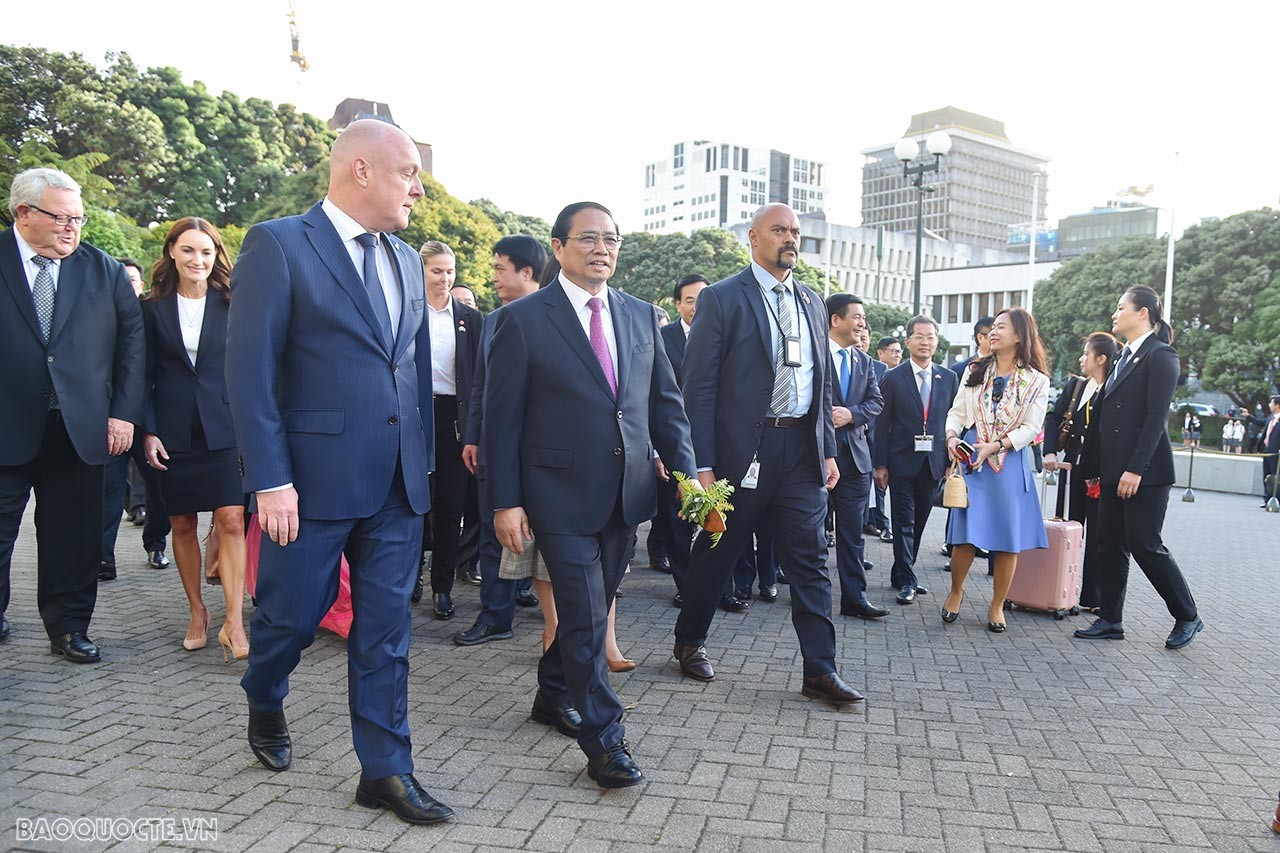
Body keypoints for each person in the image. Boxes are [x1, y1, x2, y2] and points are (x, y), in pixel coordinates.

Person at [225, 120, 452, 824]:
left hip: (396, 487)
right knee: (289, 620)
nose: (418, 187)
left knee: (385, 632)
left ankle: (385, 769)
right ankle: (264, 696)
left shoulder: (406, 257)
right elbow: (250, 372)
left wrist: (423, 465)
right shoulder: (280, 243)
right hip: (308, 485)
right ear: (360, 169)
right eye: (407, 172)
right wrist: (269, 477)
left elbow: (407, 370)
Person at [484, 201, 697, 788]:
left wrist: (688, 478)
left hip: (625, 495)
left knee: (592, 607)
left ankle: (552, 694)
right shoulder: (523, 320)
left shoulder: (639, 315)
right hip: (555, 495)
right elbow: (501, 422)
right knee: (582, 615)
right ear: (558, 248)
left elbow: (664, 406)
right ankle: (605, 741)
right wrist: (505, 500)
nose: (602, 249)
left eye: (612, 239)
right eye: (589, 238)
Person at [675, 203, 863, 708]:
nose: (790, 239)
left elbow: (820, 383)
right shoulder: (722, 298)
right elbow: (699, 389)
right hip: (741, 454)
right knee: (717, 553)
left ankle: (820, 670)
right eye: (780, 230)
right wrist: (704, 465)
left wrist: (826, 448)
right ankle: (689, 640)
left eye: (796, 232)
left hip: (800, 451)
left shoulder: (811, 300)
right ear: (754, 238)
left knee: (810, 562)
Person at [0, 168, 143, 658]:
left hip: (80, 429)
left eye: (78, 219)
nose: (71, 229)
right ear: (23, 213)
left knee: (73, 537)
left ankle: (68, 628)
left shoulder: (101, 270)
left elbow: (132, 346)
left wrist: (123, 413)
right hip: (6, 427)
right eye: (61, 218)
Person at [139, 218, 249, 658]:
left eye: (205, 252)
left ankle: (235, 621)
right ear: (171, 252)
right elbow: (141, 374)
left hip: (226, 426)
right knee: (181, 524)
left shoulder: (234, 301)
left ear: (216, 256)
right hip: (172, 430)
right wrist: (147, 430)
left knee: (232, 520)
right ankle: (197, 610)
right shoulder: (150, 308)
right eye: (188, 251)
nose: (197, 260)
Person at [1074, 285, 1202, 650]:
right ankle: (1110, 618)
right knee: (1108, 543)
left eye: (1121, 308)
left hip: (1145, 472)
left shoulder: (1162, 356)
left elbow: (1154, 419)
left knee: (1145, 544)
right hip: (1114, 470)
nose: (1115, 314)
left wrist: (1135, 469)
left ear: (1143, 312)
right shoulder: (1122, 357)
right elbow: (1104, 418)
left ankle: (1187, 615)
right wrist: (1095, 468)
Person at [451, 235, 545, 647]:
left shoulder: (556, 316)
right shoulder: (492, 320)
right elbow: (480, 387)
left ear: (526, 272)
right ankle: (496, 614)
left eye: (499, 268)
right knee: (494, 530)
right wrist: (473, 435)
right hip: (494, 447)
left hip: (545, 452)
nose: (493, 278)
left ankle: (556, 616)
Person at [941, 308, 1051, 632]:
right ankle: (956, 591)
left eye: (1001, 327)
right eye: (993, 327)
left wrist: (998, 445)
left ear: (1019, 335)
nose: (994, 332)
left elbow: (1032, 427)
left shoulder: (1037, 380)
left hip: (1009, 460)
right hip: (973, 456)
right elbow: (957, 412)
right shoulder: (975, 370)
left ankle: (997, 603)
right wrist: (951, 436)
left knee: (1007, 538)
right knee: (965, 534)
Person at [415, 241, 483, 619]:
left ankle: (442, 587)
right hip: (414, 418)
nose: (444, 278)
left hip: (454, 422)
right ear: (421, 272)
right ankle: (411, 578)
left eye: (450, 271)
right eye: (436, 271)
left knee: (449, 507)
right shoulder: (407, 313)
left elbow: (478, 379)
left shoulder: (470, 320)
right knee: (412, 505)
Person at [873, 316, 958, 606]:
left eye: (930, 337)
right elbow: (881, 424)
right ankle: (908, 580)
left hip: (933, 462)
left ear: (937, 341)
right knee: (903, 521)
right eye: (919, 337)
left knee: (920, 521)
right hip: (900, 462)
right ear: (908, 341)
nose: (925, 342)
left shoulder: (948, 378)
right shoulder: (893, 377)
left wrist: (951, 458)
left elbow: (952, 421)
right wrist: (880, 464)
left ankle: (901, 572)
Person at [1043, 332, 1121, 612]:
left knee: (1100, 537)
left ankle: (1093, 598)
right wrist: (1050, 451)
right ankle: (1062, 590)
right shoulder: (1077, 387)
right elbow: (1053, 418)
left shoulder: (1115, 389)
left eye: (1086, 354)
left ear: (1101, 359)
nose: (1081, 359)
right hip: (1075, 470)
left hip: (1102, 475)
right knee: (1070, 530)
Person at [824, 293, 886, 619]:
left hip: (857, 461)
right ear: (835, 319)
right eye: (857, 317)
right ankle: (812, 594)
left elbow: (876, 402)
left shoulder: (863, 361)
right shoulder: (812, 355)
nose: (862, 323)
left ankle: (854, 598)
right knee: (811, 533)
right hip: (817, 458)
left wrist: (851, 414)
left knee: (852, 536)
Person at [652, 274, 707, 604]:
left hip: (712, 442)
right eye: (690, 300)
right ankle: (687, 587)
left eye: (703, 299)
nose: (697, 307)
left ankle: (718, 587)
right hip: (671, 441)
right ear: (677, 304)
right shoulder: (663, 337)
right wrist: (658, 452)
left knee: (717, 515)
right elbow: (654, 397)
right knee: (675, 519)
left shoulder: (723, 336)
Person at [867, 336, 900, 541]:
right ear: (880, 352)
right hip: (869, 436)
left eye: (899, 351)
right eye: (893, 350)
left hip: (889, 440)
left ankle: (880, 522)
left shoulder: (899, 375)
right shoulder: (872, 369)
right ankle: (877, 522)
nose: (897, 355)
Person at [1260, 396, 1280, 505]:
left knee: (1276, 476)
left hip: (1276, 452)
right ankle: (1267, 499)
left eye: (1271, 403)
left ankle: (1276, 499)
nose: (1269, 405)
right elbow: (1261, 422)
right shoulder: (1271, 417)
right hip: (1267, 450)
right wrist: (1248, 416)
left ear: (1277, 405)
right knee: (1266, 475)